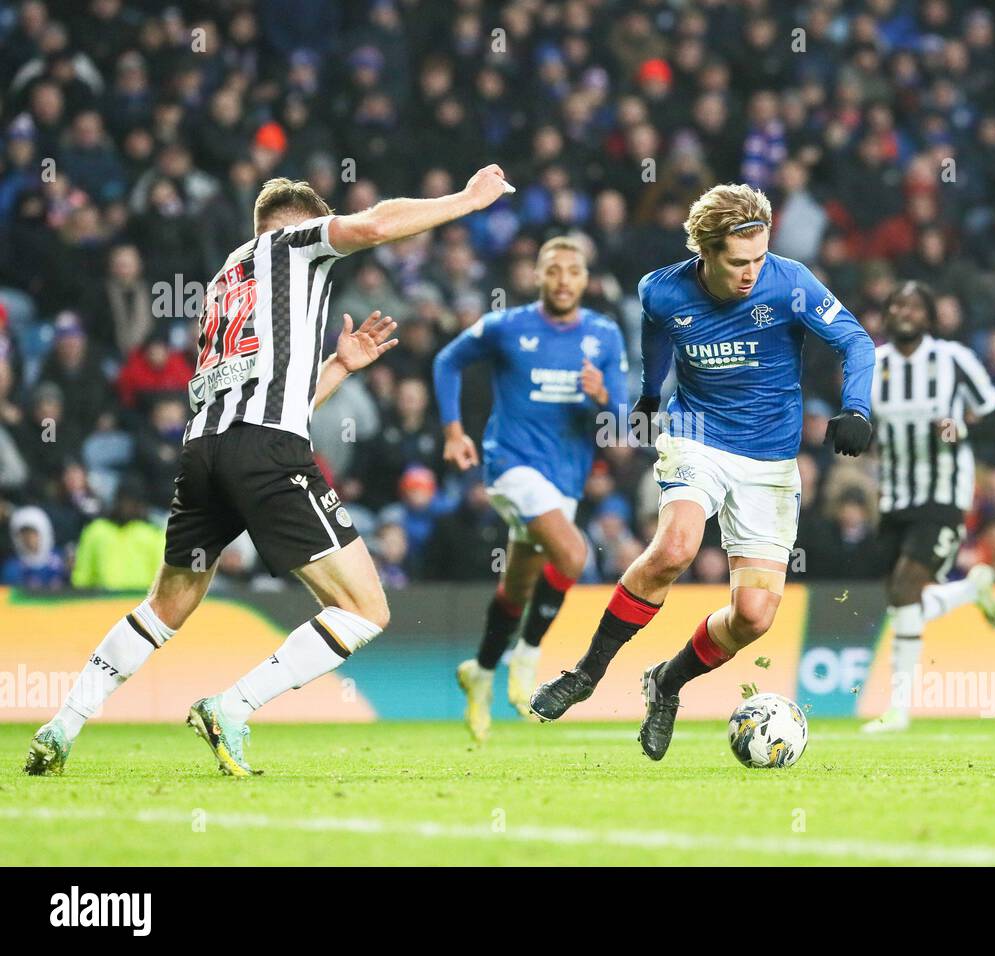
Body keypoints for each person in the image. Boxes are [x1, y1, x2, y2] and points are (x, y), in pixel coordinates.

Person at [25, 165, 512, 776]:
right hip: (265, 450)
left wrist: (339, 366)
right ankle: (232, 706)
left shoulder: (226, 283)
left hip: (205, 452)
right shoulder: (290, 244)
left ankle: (62, 724)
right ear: (303, 223)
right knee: (365, 610)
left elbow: (280, 395)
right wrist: (465, 202)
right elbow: (376, 223)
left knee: (165, 604)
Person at [530, 183, 876, 761]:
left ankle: (666, 684)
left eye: (759, 258)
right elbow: (657, 339)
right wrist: (646, 396)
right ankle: (587, 673)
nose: (750, 273)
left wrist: (856, 408)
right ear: (706, 252)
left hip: (769, 457)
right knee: (675, 548)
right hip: (697, 436)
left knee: (753, 616)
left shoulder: (790, 282)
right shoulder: (661, 291)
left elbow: (856, 342)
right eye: (738, 262)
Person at [435, 236, 629, 740]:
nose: (563, 279)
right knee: (572, 554)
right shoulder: (507, 326)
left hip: (565, 477)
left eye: (573, 271)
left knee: (518, 584)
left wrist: (602, 396)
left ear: (586, 280)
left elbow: (622, 421)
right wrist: (454, 431)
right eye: (553, 269)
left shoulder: (605, 335)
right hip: (510, 465)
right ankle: (528, 656)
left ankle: (479, 671)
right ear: (537, 276)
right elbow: (447, 361)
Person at [861, 281, 995, 734]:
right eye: (896, 304)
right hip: (894, 495)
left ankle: (898, 710)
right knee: (902, 600)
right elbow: (859, 420)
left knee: (905, 590)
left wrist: (961, 429)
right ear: (886, 315)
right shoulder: (872, 364)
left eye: (914, 305)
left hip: (944, 492)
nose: (904, 311)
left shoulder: (953, 359)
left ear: (929, 315)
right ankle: (969, 589)